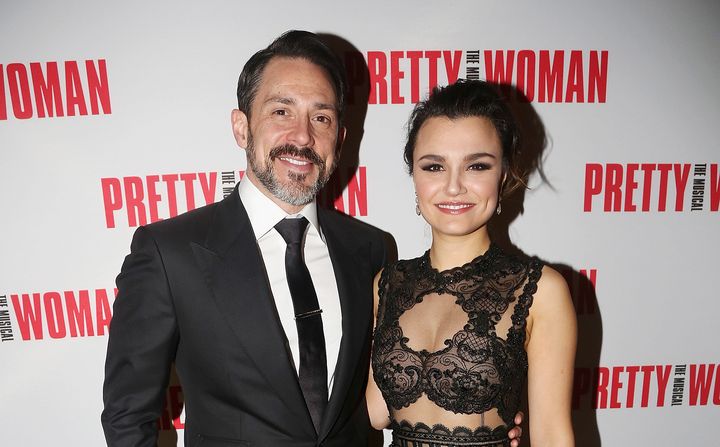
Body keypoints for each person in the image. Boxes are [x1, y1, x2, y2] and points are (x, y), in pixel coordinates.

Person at [102, 31, 524, 446]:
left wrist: (481, 418)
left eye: (321, 117)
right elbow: (127, 416)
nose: (302, 137)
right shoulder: (169, 253)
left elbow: (386, 396)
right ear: (242, 127)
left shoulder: (372, 251)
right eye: (281, 112)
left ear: (339, 139)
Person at [366, 80, 576, 447]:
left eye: (477, 166)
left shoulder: (539, 290)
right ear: (413, 176)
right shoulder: (388, 283)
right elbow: (377, 412)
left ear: (504, 174)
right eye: (433, 167)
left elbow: (553, 437)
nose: (453, 186)